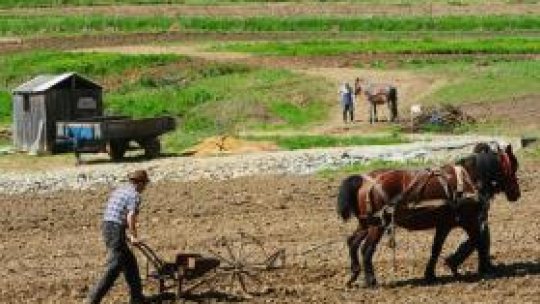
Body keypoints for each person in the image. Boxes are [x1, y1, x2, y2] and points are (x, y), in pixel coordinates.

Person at [86, 170, 150, 304]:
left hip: (107, 227)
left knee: (130, 263)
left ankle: (137, 297)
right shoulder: (135, 195)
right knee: (114, 266)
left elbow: (117, 214)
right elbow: (130, 216)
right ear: (139, 183)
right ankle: (92, 299)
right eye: (144, 184)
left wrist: (123, 232)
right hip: (115, 229)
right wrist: (133, 236)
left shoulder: (120, 190)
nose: (145, 187)